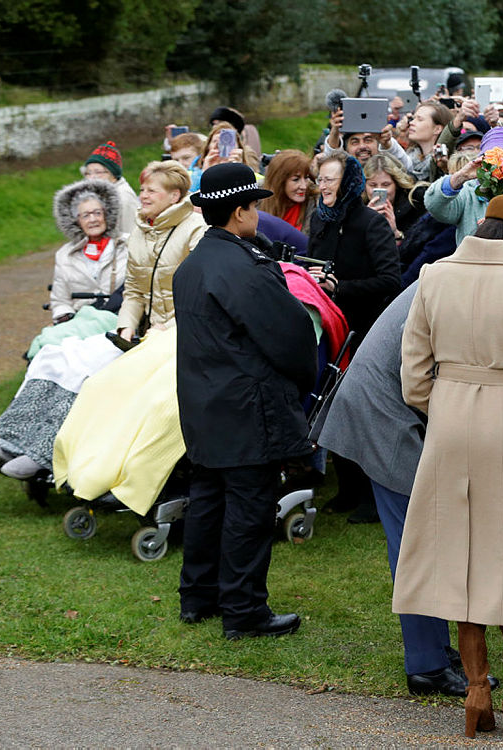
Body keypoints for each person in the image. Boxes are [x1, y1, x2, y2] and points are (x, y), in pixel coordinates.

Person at [315, 209, 503, 699]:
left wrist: (459, 408)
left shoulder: (440, 274)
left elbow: (421, 378)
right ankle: (427, 665)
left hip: (416, 410)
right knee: (418, 540)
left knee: (430, 537)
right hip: (383, 414)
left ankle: (442, 653)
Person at [394, 194, 503, 739]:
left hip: (448, 421)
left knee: (458, 555)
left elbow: (412, 376)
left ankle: (476, 690)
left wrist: (448, 403)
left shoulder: (433, 275)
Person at [173, 162, 318, 640]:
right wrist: (303, 377)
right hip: (245, 405)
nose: (259, 214)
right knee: (249, 508)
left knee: (208, 499)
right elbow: (290, 333)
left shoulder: (194, 262)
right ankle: (244, 610)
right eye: (254, 206)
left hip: (203, 402)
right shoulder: (244, 266)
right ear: (238, 213)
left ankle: (199, 597)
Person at [306, 153, 400, 340]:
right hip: (322, 318)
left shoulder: (372, 223)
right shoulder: (319, 218)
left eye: (330, 180)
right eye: (321, 180)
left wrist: (339, 286)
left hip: (360, 327)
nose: (323, 186)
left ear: (349, 182)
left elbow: (391, 281)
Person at [116, 161, 207, 341]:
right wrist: (125, 328)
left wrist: (167, 327)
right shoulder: (137, 234)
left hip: (192, 332)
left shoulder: (197, 229)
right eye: (142, 190)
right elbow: (134, 291)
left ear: (174, 196)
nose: (143, 196)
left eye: (151, 191)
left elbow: (204, 294)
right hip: (152, 335)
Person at [424, 127, 503, 244]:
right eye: (492, 157)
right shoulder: (468, 191)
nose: (498, 164)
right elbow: (434, 205)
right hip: (472, 260)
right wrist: (461, 176)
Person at [48, 179, 129, 324]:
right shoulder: (64, 255)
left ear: (106, 214)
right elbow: (60, 301)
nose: (93, 219)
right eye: (85, 215)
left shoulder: (128, 244)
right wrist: (65, 318)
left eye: (97, 213)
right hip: (81, 322)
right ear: (76, 221)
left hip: (121, 320)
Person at [81, 141, 139, 238]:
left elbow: (130, 234)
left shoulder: (123, 197)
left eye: (98, 172)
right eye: (88, 173)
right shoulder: (94, 194)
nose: (92, 177)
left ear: (113, 175)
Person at [362, 152, 423, 240]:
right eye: (373, 185)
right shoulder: (356, 208)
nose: (380, 190)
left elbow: (420, 246)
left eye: (386, 185)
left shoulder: (415, 202)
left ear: (396, 184)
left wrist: (395, 233)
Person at [258, 150, 314, 232]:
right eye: (296, 179)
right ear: (279, 181)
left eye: (306, 178)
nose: (304, 186)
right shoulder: (256, 200)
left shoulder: (314, 204)